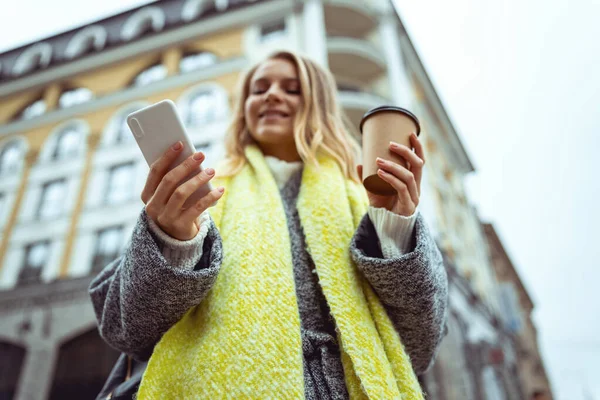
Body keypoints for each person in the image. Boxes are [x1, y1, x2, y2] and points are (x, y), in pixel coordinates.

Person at [90, 50, 448, 399]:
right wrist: (172, 241)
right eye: (259, 89)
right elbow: (127, 328)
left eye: (292, 89)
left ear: (319, 105)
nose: (273, 94)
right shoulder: (206, 196)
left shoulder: (362, 195)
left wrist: (392, 225)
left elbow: (421, 344)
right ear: (244, 108)